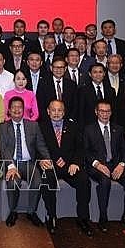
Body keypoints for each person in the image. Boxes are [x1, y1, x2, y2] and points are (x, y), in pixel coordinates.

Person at [39, 100, 93, 236]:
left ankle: (83, 218)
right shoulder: (41, 127)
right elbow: (36, 147)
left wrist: (76, 163)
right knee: (47, 180)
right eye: (53, 110)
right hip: (50, 165)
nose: (56, 113)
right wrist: (41, 160)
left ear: (64, 112)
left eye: (59, 110)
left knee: (84, 180)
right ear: (48, 111)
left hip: (70, 166)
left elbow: (80, 148)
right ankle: (51, 216)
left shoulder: (73, 126)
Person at [83, 100, 125, 232]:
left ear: (111, 112)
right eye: (102, 111)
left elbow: (124, 150)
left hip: (115, 165)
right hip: (97, 166)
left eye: (107, 111)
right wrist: (98, 165)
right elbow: (85, 152)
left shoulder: (118, 129)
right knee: (104, 181)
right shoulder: (88, 129)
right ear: (96, 112)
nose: (105, 114)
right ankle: (103, 217)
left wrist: (122, 165)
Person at [0, 97, 52, 228]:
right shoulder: (2, 127)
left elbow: (41, 145)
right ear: (9, 110)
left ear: (24, 110)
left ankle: (31, 212)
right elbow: (3, 149)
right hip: (12, 163)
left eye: (20, 107)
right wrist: (10, 166)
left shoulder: (33, 126)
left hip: (28, 163)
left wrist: (46, 158)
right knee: (12, 181)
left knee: (37, 180)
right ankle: (13, 211)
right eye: (14, 107)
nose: (17, 110)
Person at [37, 57, 78, 122]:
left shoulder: (71, 85)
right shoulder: (43, 84)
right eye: (56, 67)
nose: (59, 70)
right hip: (47, 122)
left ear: (65, 68)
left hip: (67, 122)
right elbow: (40, 105)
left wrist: (70, 120)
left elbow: (75, 105)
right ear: (51, 68)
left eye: (61, 67)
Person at [76, 63, 115, 130]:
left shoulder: (111, 91)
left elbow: (114, 112)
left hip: (107, 128)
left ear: (104, 74)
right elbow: (80, 113)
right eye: (95, 72)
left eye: (100, 72)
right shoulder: (83, 91)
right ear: (90, 74)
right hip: (88, 129)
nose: (98, 75)